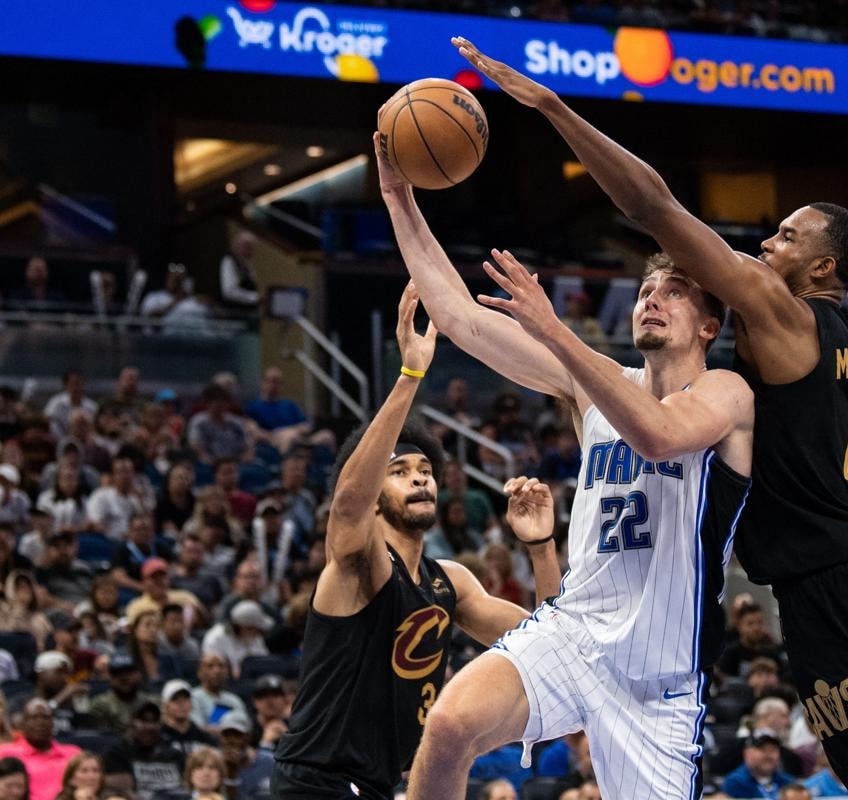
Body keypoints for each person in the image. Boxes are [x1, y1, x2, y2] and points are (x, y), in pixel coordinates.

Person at [453, 37, 848, 800]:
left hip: (833, 584)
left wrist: (553, 107)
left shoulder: (779, 312)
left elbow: (652, 207)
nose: (765, 241)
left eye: (787, 236)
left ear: (822, 268)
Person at [379, 131, 753, 800]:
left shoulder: (727, 394)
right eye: (645, 289)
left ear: (709, 326)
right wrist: (398, 195)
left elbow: (661, 437)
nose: (651, 299)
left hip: (659, 681)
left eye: (673, 292)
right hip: (573, 635)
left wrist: (554, 329)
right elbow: (460, 318)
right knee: (450, 724)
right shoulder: (597, 382)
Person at [270, 284, 562, 800]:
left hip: (379, 785)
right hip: (316, 781)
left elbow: (550, 644)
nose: (420, 478)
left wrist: (541, 548)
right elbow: (347, 505)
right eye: (400, 471)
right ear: (375, 498)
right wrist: (409, 376)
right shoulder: (361, 564)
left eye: (425, 469)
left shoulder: (451, 582)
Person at [0, 698, 80, 800]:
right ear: (23, 723)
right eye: (34, 717)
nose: (40, 722)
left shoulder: (73, 754)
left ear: (53, 722)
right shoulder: (5, 753)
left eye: (45, 717)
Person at [103, 699, 186, 796]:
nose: (150, 727)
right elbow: (121, 792)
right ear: (131, 723)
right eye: (143, 721)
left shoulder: (174, 754)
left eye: (154, 721)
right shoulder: (117, 754)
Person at [720, 730, 796, 800]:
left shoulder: (788, 782)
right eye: (762, 749)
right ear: (747, 753)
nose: (768, 754)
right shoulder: (735, 783)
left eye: (773, 749)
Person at [160, 680, 219, 758]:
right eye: (175, 699)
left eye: (185, 699)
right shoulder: (158, 737)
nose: (181, 703)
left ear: (191, 703)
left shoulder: (204, 738)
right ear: (165, 705)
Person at [43, 373, 97, 442]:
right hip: (58, 440)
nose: (75, 387)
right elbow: (47, 420)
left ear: (84, 384)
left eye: (78, 383)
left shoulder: (91, 406)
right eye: (72, 384)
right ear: (65, 385)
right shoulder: (56, 403)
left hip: (85, 441)